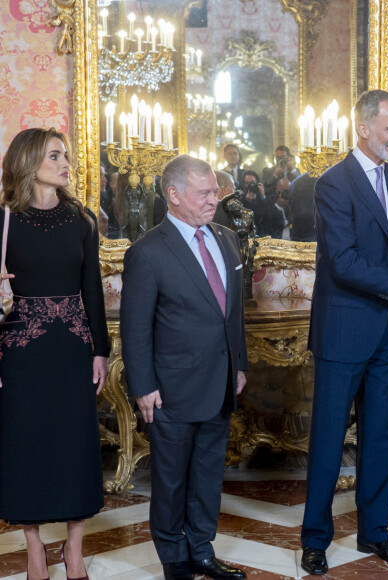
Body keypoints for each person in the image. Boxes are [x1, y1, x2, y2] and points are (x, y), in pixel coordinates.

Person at [300, 90, 388, 576]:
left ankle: (375, 533)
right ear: (363, 128)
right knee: (328, 438)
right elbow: (343, 262)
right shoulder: (333, 183)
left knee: (381, 436)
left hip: (385, 332)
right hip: (342, 330)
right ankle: (315, 540)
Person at [120, 155, 248, 580]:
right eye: (205, 193)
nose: (216, 199)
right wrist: (143, 385)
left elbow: (233, 315)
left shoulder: (228, 240)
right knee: (172, 481)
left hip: (221, 381)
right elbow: (135, 327)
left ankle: (202, 550)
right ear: (174, 195)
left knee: (208, 475)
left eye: (216, 191)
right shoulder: (147, 251)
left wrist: (240, 365)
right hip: (170, 387)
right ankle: (174, 559)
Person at [0, 128, 110, 580]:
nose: (66, 163)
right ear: (29, 163)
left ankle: (75, 549)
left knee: (75, 444)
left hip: (72, 347)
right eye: (55, 156)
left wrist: (100, 350)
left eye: (66, 155)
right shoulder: (4, 219)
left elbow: (93, 291)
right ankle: (35, 550)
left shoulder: (81, 219)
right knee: (26, 446)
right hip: (20, 351)